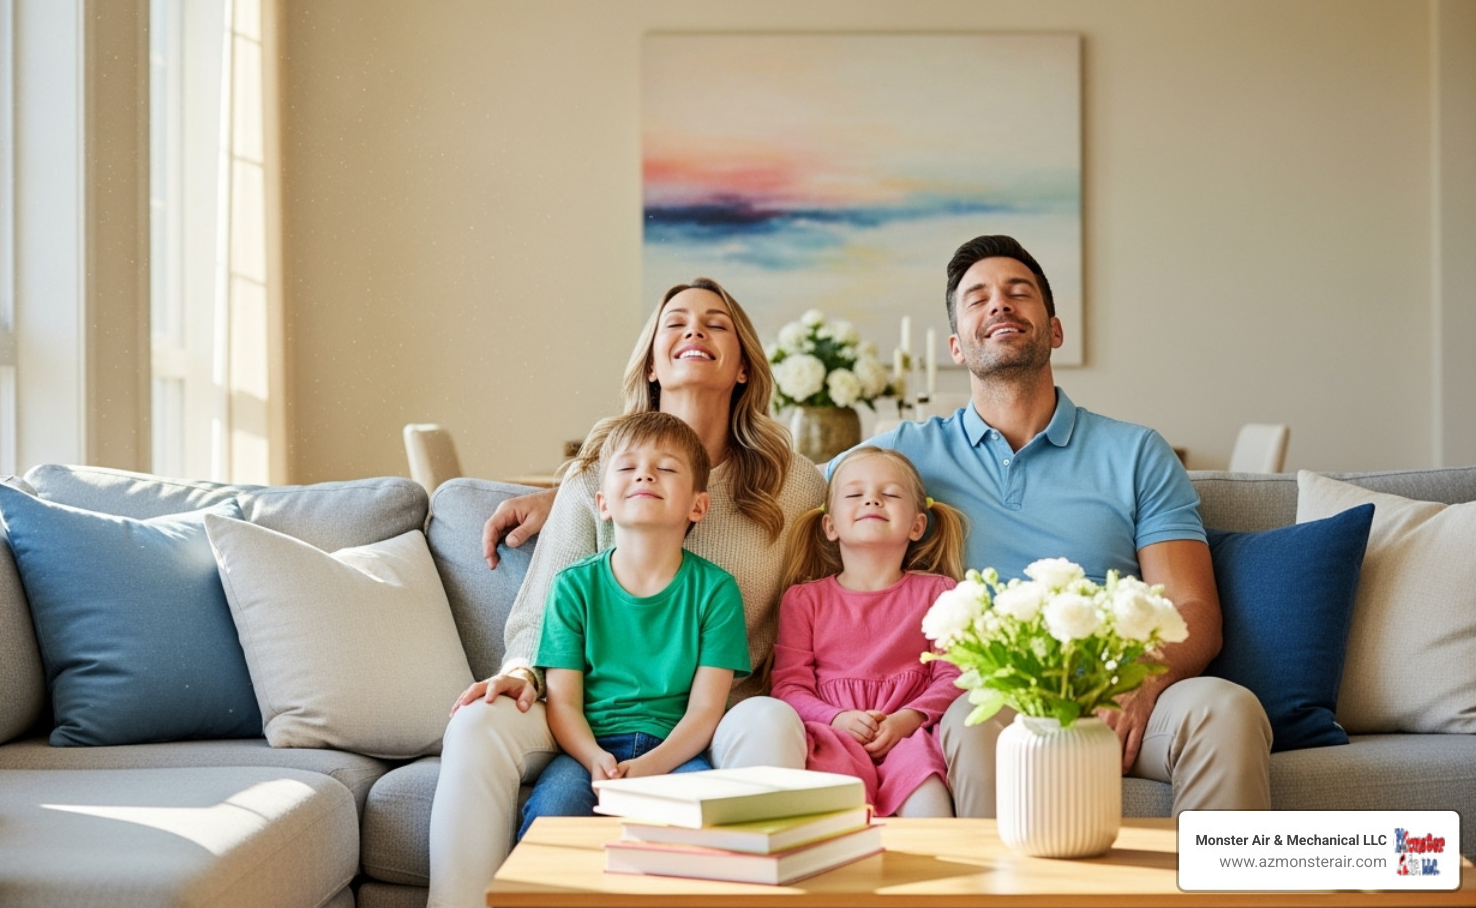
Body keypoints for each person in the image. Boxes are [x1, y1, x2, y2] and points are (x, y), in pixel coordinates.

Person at [843, 233, 1273, 816]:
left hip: (1115, 691)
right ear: (956, 348)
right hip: (988, 697)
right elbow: (799, 496)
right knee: (974, 717)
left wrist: (1139, 685)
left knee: (1228, 709)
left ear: (1055, 330)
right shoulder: (905, 456)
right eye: (978, 298)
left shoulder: (1137, 452)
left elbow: (1193, 609)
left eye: (1018, 292)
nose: (999, 304)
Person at [428, 278, 825, 908]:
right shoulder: (595, 473)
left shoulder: (793, 482)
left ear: (745, 366)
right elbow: (541, 610)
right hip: (585, 706)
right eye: (676, 323)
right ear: (650, 361)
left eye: (716, 323)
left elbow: (821, 603)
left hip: (720, 709)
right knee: (476, 724)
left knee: (773, 721)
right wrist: (521, 674)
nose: (695, 331)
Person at [516, 411, 750, 839]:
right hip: (590, 749)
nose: (645, 476)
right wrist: (594, 760)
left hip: (676, 752)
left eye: (665, 468)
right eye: (627, 468)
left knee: (704, 821)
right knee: (552, 814)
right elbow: (564, 704)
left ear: (698, 505)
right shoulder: (573, 587)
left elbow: (705, 711)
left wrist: (649, 767)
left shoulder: (717, 591)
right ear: (603, 504)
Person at [771, 446, 967, 819]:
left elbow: (954, 676)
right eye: (854, 494)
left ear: (917, 525)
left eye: (890, 494)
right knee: (832, 822)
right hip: (831, 739)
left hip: (912, 739)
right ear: (830, 526)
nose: (872, 500)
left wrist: (908, 718)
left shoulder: (940, 593)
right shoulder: (804, 600)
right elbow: (788, 687)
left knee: (930, 807)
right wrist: (836, 719)